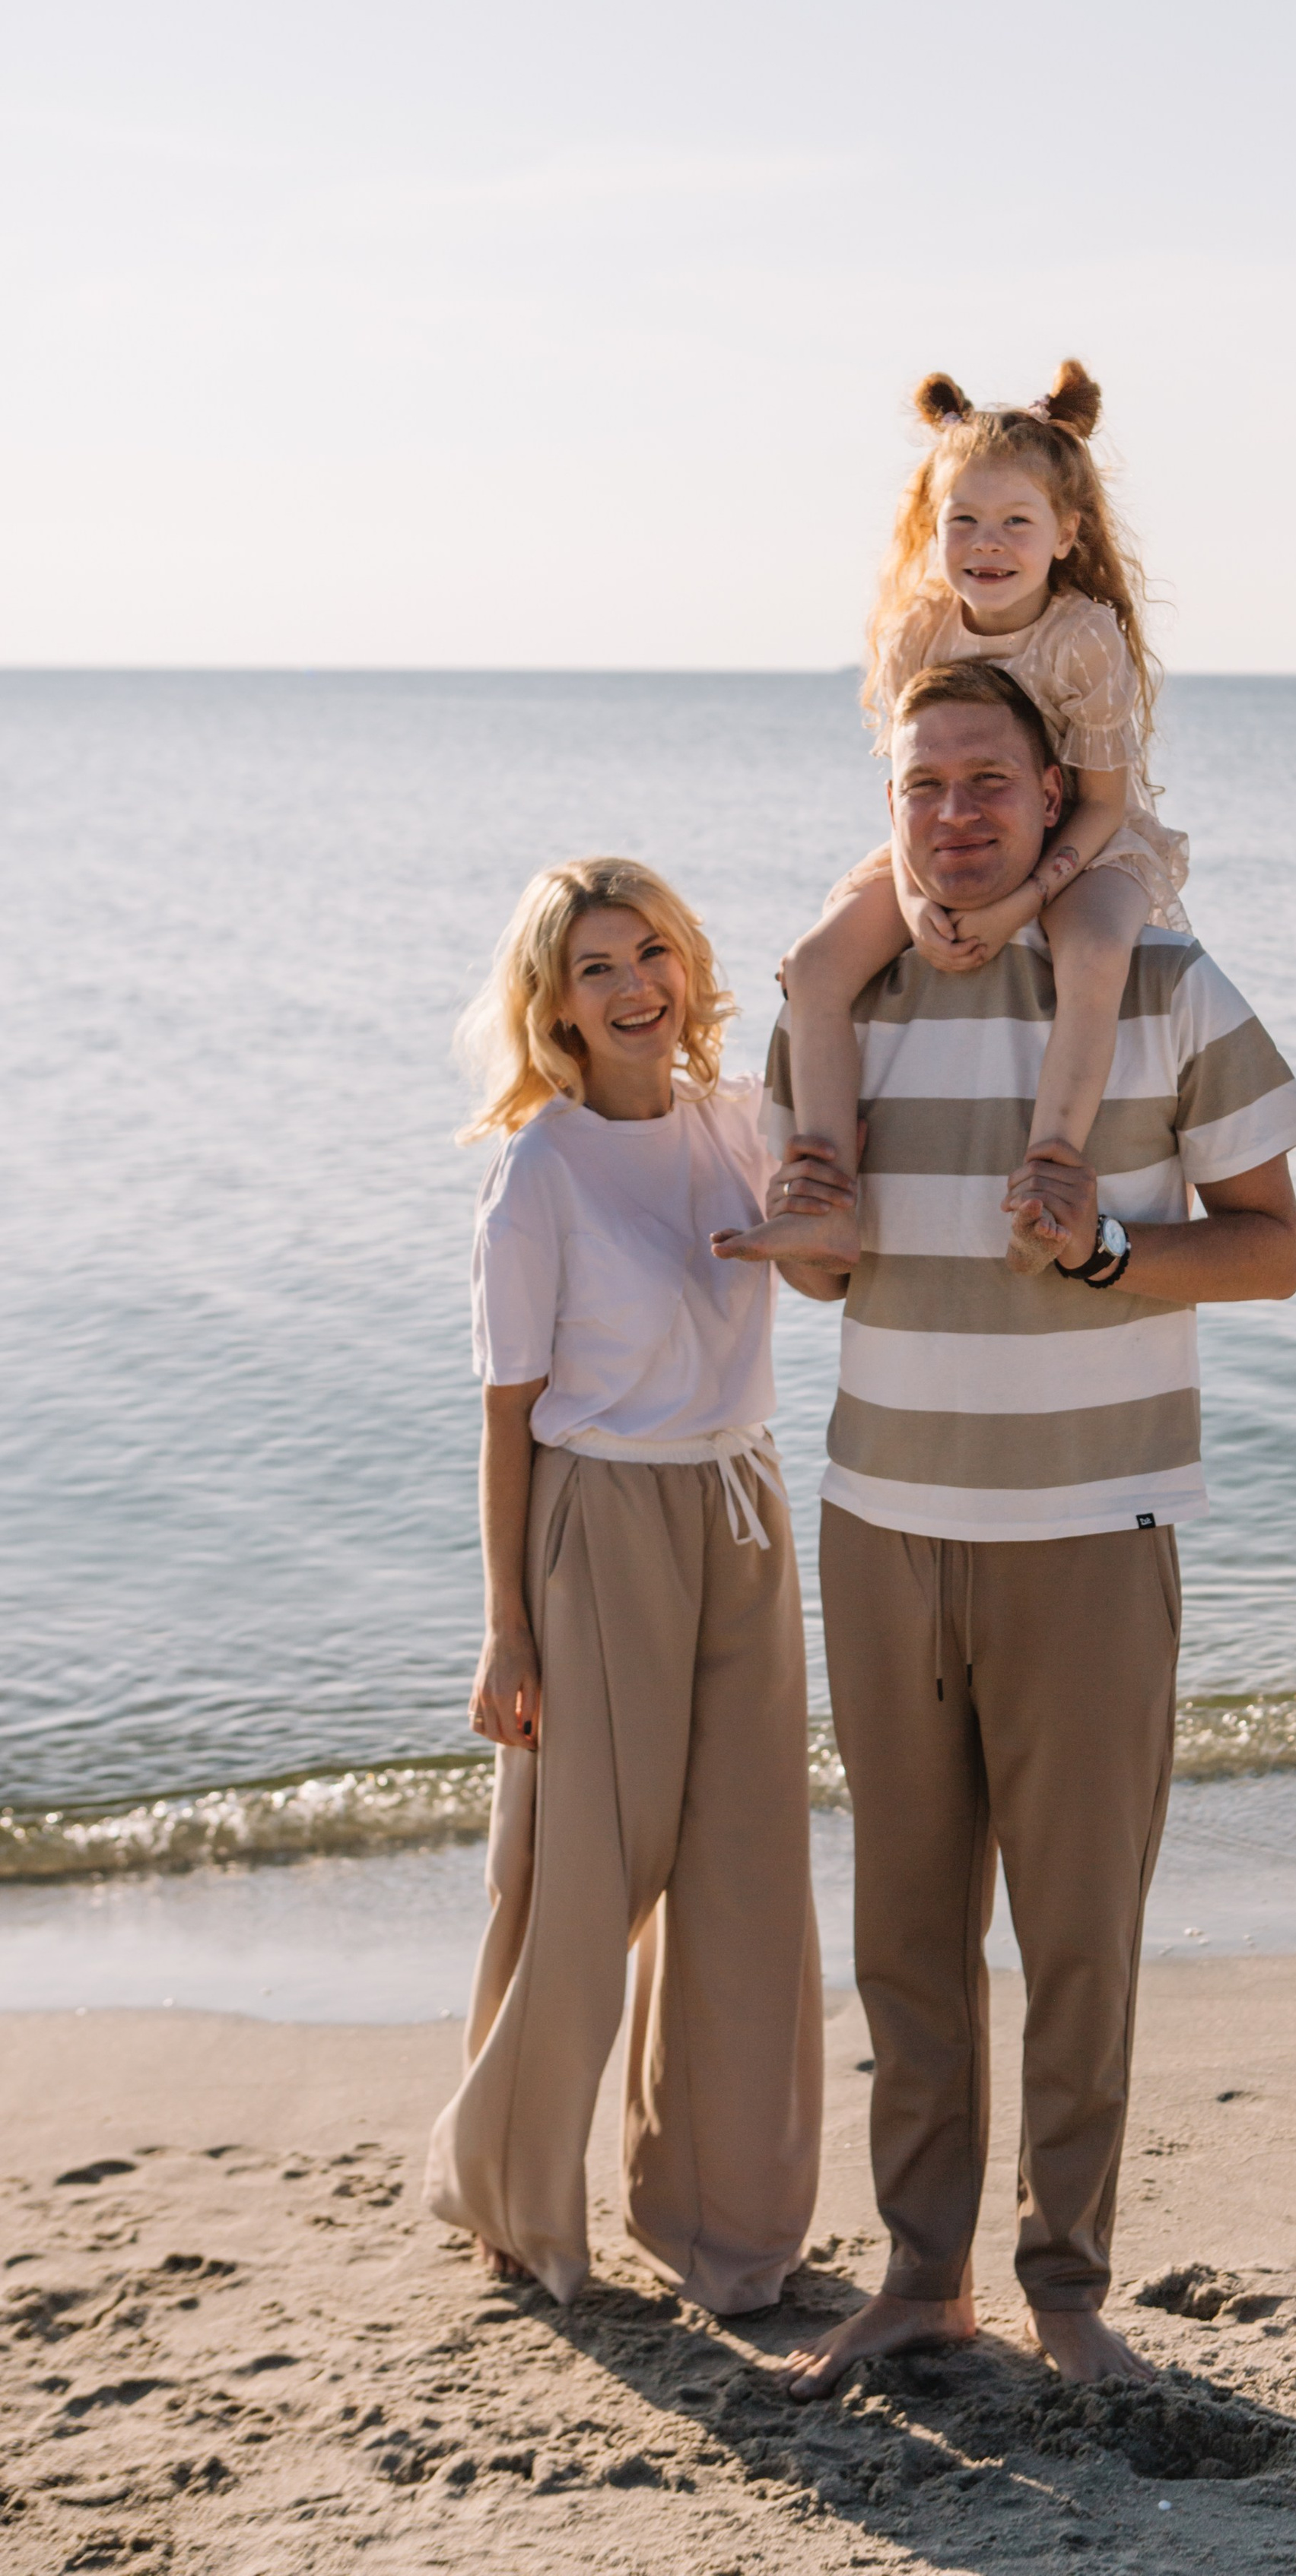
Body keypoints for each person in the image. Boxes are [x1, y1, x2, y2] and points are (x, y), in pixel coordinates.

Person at [761, 662, 1296, 2397]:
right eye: (922, 781)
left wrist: (1099, 1258)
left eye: (984, 779)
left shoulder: (1154, 980)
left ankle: (1065, 2282)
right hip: (880, 1516)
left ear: (1052, 793)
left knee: (1079, 1928)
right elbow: (817, 1263)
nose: (952, 811)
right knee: (904, 1932)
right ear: (891, 803)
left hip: (1089, 1519)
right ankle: (922, 2272)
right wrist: (796, 1225)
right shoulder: (835, 1004)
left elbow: (1270, 1243)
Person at [424, 857, 821, 2311]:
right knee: (585, 1879)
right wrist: (505, 1630)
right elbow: (504, 1416)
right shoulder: (538, 1172)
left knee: (747, 1879)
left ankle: (728, 2235)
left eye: (650, 951)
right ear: (558, 1007)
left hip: (746, 1508)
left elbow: (845, 1224)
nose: (635, 983)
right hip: (597, 1524)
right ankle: (516, 2195)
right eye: (597, 968)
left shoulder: (735, 1124)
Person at [714, 359, 1186, 1279]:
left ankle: (1047, 1183)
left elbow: (1099, 805)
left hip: (1081, 850)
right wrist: (912, 892)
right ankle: (824, 1202)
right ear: (929, 531)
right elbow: (903, 800)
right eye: (961, 521)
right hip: (948, 846)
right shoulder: (916, 634)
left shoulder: (1079, 636)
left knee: (1092, 953)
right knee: (814, 967)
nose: (987, 543)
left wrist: (1024, 906)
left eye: (1016, 522)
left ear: (1066, 532)